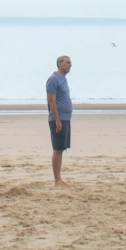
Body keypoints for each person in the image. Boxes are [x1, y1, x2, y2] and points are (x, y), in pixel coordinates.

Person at [46, 53, 72, 185]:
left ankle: (59, 178)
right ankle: (57, 179)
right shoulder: (53, 79)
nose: (70, 65)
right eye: (67, 62)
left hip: (66, 118)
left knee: (61, 148)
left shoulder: (63, 79)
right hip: (58, 119)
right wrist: (57, 120)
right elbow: (52, 102)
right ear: (60, 64)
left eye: (70, 63)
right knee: (57, 149)